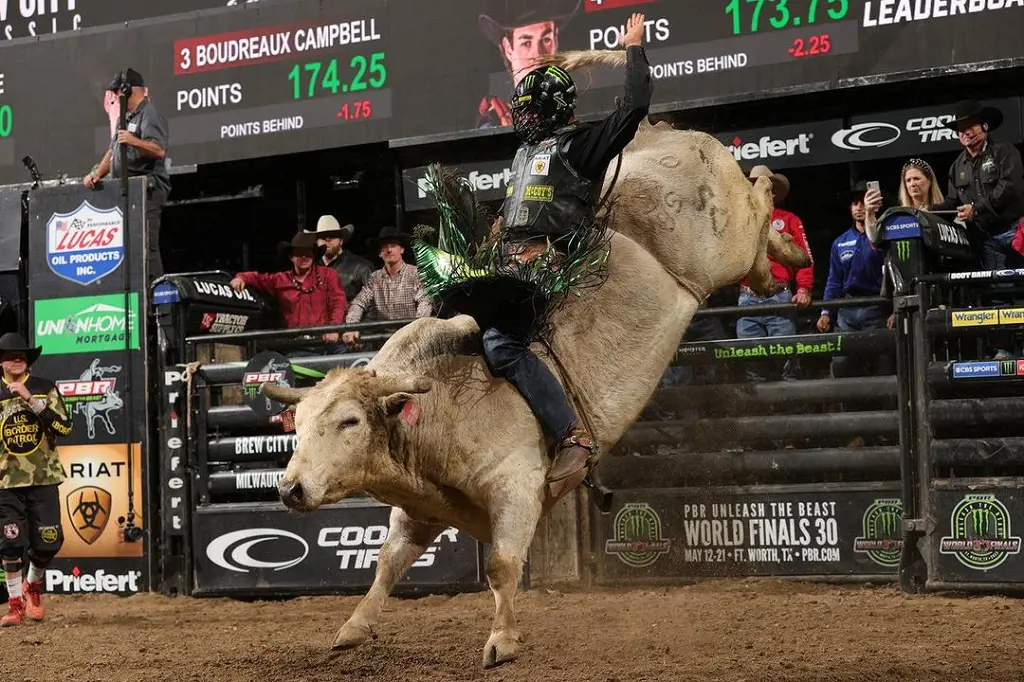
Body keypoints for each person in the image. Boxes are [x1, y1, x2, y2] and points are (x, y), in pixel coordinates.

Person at [472, 12, 652, 493]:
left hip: (553, 268)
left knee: (501, 344)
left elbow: (632, 108)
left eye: (532, 107)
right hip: (511, 267)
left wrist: (633, 47)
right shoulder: (524, 155)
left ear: (555, 106)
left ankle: (572, 437)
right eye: (521, 107)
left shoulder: (582, 146)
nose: (524, 116)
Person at [0, 333, 73, 627]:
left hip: (43, 478)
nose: (17, 359)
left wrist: (30, 399)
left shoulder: (44, 388)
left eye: (22, 355)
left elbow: (65, 428)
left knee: (49, 542)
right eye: (10, 355)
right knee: (10, 544)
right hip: (5, 483)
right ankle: (15, 605)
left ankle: (34, 584)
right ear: (0, 361)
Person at [83, 68, 171, 284]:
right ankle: (136, 292)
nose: (115, 98)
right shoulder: (127, 118)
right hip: (129, 192)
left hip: (147, 190)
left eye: (118, 93)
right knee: (130, 247)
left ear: (129, 91)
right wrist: (97, 174)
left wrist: (133, 141)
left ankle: (154, 299)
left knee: (147, 247)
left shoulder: (149, 113)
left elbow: (158, 150)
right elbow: (113, 150)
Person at [734, 166, 814, 383]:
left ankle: (791, 411)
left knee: (787, 358)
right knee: (751, 361)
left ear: (773, 191)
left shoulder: (788, 220)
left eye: (763, 185)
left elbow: (804, 258)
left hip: (779, 296)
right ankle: (760, 412)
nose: (758, 190)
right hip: (748, 297)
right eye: (753, 185)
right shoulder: (738, 223)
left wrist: (804, 288)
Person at [817, 181, 891, 378]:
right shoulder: (839, 243)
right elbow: (833, 280)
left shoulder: (885, 237)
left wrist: (895, 311)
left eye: (863, 202)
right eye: (855, 203)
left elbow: (895, 273)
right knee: (841, 364)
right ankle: (847, 407)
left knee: (882, 364)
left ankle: (889, 408)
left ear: (874, 203)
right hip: (846, 309)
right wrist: (826, 313)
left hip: (878, 307)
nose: (859, 207)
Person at [231, 231, 347, 355]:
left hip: (326, 342)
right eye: (299, 253)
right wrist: (242, 278)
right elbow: (258, 278)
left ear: (313, 255)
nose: (304, 257)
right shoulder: (280, 279)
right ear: (291, 257)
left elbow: (338, 303)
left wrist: (333, 328)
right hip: (296, 345)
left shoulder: (328, 275)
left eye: (308, 253)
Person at [476, 0, 580, 129]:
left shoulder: (578, 106)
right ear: (508, 48)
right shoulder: (494, 121)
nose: (538, 55)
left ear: (556, 41)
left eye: (546, 40)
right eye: (526, 43)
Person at [342, 227, 434, 347]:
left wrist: (416, 329)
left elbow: (425, 301)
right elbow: (359, 302)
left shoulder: (416, 274)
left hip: (412, 339)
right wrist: (352, 326)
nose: (389, 250)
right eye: (385, 246)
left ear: (402, 249)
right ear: (380, 253)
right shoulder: (375, 278)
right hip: (384, 342)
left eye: (393, 245)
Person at [310, 215, 374, 304]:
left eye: (332, 235)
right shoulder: (310, 268)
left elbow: (373, 306)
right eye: (323, 236)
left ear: (341, 240)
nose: (327, 239)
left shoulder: (362, 267)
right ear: (317, 242)